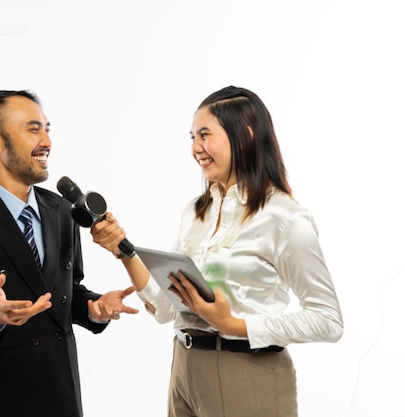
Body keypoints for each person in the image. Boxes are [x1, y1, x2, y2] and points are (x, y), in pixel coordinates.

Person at [91, 86, 343, 417]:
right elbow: (166, 310)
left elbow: (328, 321)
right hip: (185, 366)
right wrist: (123, 251)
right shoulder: (195, 211)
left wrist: (235, 325)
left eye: (205, 135)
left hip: (247, 372)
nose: (196, 148)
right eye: (192, 137)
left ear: (246, 136)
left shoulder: (285, 217)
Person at [0, 89, 138, 417]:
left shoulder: (61, 210)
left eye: (47, 129)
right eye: (33, 129)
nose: (46, 140)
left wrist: (93, 306)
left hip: (62, 398)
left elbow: (64, 293)